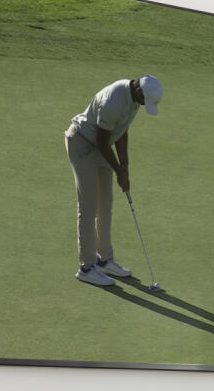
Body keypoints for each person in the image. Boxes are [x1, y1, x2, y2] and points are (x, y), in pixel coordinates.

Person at [65, 75, 163, 285]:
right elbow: (102, 142)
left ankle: (104, 260)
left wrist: (125, 166)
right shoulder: (114, 101)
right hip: (82, 144)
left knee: (105, 205)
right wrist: (119, 171)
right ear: (140, 92)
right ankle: (86, 267)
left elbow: (121, 131)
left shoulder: (135, 99)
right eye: (146, 101)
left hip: (101, 145)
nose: (145, 105)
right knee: (89, 207)